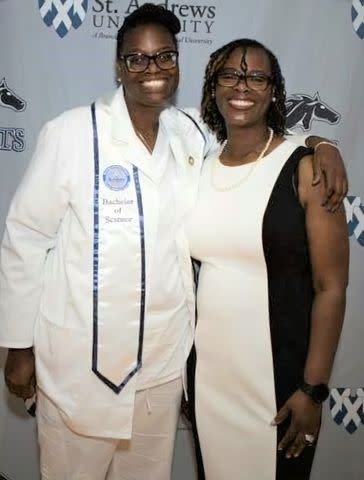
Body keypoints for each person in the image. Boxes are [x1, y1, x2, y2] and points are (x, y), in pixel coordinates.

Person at [0, 4, 347, 479]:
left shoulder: (189, 133)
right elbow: (25, 236)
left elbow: (256, 131)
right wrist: (18, 346)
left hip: (162, 375)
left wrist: (321, 143)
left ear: (179, 63)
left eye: (165, 57)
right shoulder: (71, 133)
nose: (153, 70)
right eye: (138, 59)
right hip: (80, 369)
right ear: (120, 66)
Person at [186, 38, 349, 480]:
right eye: (230, 76)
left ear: (275, 90)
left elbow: (331, 287)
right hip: (208, 380)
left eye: (257, 77)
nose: (243, 86)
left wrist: (313, 391)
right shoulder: (196, 165)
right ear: (212, 87)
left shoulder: (307, 168)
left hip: (281, 384)